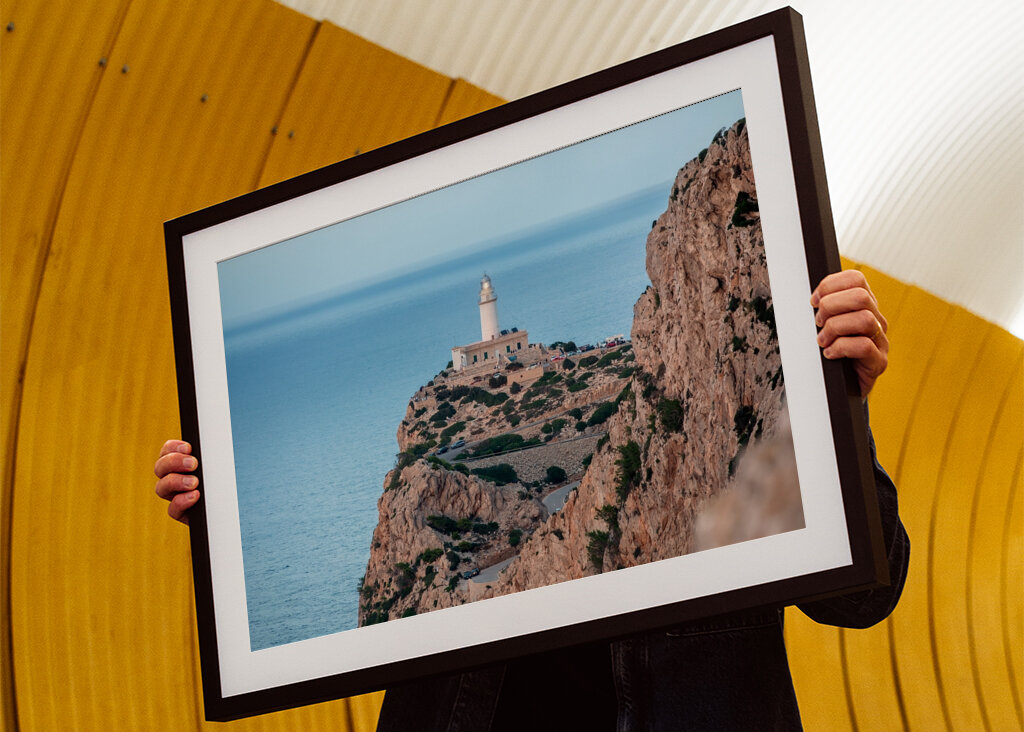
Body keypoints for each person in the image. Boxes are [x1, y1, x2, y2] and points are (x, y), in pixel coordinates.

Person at [154, 270, 908, 731]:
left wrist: (833, 405)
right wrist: (228, 509)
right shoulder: (454, 462)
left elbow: (864, 596)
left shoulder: (735, 407)